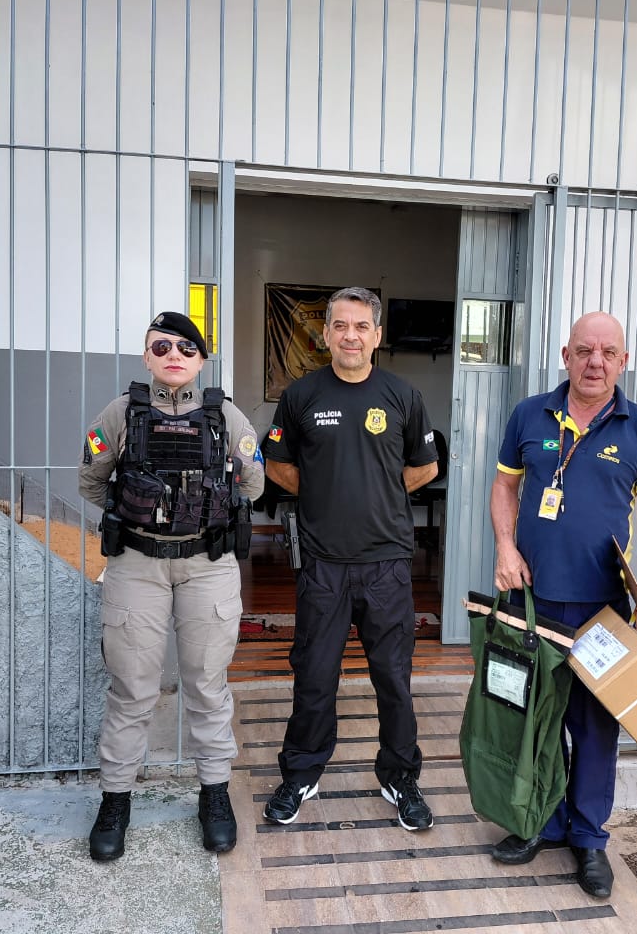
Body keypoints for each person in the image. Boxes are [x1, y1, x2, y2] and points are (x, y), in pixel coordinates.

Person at [489, 311, 637, 898]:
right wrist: (503, 547)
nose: (596, 362)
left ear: (624, 361)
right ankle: (539, 822)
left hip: (604, 608)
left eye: (609, 353)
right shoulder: (528, 415)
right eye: (585, 351)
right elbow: (504, 487)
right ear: (565, 355)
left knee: (594, 728)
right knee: (535, 721)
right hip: (533, 600)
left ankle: (590, 839)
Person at [78, 311, 265, 862]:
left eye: (186, 347)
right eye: (161, 347)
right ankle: (115, 801)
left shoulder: (226, 416)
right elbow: (91, 479)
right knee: (131, 690)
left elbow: (252, 482)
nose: (174, 356)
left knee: (207, 685)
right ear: (146, 356)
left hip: (208, 563)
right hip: (137, 564)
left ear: (202, 359)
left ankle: (214, 795)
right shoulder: (118, 413)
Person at [260, 286, 440, 831]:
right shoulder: (301, 395)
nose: (350, 336)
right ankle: (301, 773)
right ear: (326, 334)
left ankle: (400, 776)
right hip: (323, 564)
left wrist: (380, 492)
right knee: (314, 675)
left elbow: (424, 468)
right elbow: (277, 465)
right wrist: (321, 493)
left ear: (377, 336)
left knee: (393, 677)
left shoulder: (403, 396)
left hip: (386, 564)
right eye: (340, 326)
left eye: (361, 326)